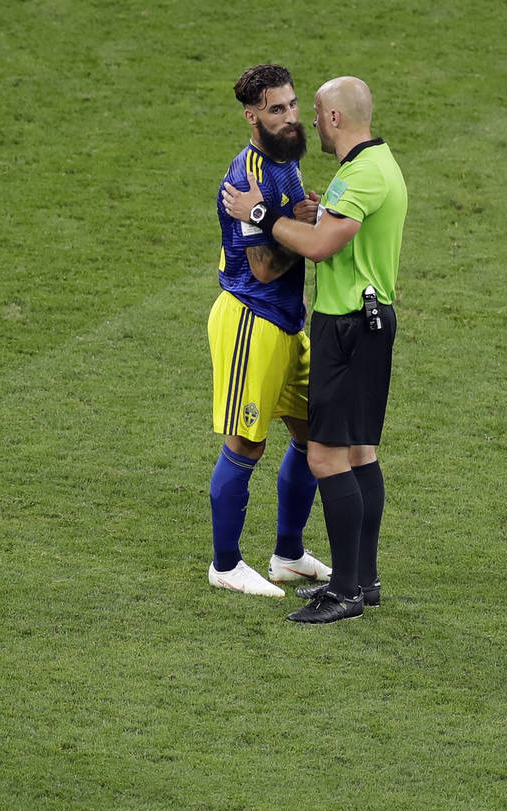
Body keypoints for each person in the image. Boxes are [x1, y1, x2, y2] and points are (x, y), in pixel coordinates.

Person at [222, 76, 408, 623]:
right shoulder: (375, 164)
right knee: (361, 454)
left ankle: (346, 591)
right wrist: (313, 211)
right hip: (366, 322)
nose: (303, 121)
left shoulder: (362, 174)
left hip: (348, 327)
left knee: (327, 457)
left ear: (334, 119)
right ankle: (363, 582)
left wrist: (261, 215)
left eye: (311, 110)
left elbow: (323, 246)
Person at [206, 64, 332, 599]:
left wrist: (304, 217)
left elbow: (289, 227)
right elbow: (262, 267)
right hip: (250, 321)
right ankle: (225, 564)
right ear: (251, 116)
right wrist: (303, 234)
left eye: (293, 104)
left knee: (313, 436)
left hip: (287, 321)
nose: (290, 116)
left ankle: (288, 555)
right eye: (276, 109)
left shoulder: (287, 159)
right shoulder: (245, 178)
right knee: (246, 444)